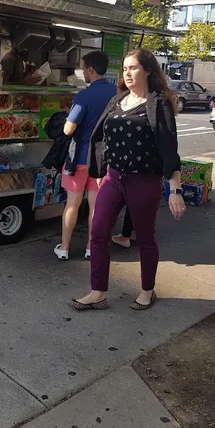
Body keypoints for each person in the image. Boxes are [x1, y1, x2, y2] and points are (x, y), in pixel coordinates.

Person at [67, 49, 186, 311]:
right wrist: (99, 173)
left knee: (144, 237)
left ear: (148, 71)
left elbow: (169, 148)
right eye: (124, 69)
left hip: (144, 180)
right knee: (98, 233)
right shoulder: (118, 100)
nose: (128, 73)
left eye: (133, 68)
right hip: (114, 178)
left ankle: (147, 290)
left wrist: (175, 189)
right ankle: (97, 292)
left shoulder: (158, 104)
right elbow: (102, 139)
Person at [54, 51, 117, 261]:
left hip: (79, 159)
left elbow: (68, 130)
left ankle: (64, 247)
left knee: (72, 204)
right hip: (102, 161)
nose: (83, 73)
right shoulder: (117, 93)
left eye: (84, 69)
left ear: (91, 69)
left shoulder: (84, 95)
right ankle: (91, 248)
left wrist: (65, 118)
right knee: (95, 206)